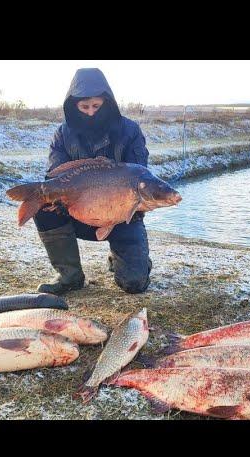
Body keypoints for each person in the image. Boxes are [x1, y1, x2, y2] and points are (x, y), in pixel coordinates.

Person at [33, 68, 152, 295]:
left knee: (134, 284)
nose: (90, 113)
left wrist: (137, 205)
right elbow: (54, 175)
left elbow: (141, 174)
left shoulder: (130, 131)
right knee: (43, 207)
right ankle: (69, 277)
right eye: (84, 107)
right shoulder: (63, 134)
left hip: (122, 216)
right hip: (79, 212)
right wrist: (56, 198)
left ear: (107, 103)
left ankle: (130, 261)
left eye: (96, 106)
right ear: (73, 105)